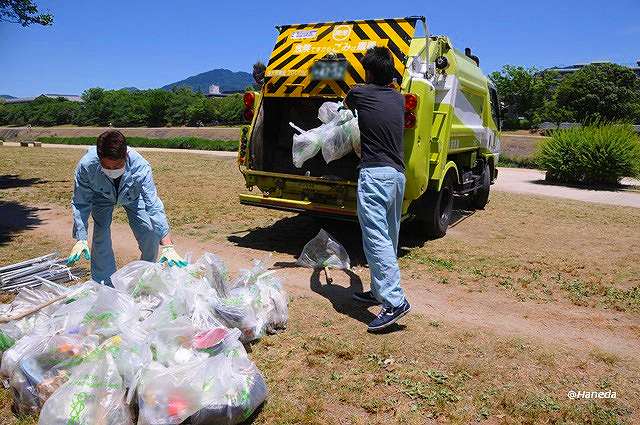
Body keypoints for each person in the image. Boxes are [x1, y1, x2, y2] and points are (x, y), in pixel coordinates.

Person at [344, 47, 411, 331]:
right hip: (397, 176)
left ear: (368, 73)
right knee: (389, 236)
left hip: (374, 175)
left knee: (376, 238)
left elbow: (346, 104)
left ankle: (394, 301)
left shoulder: (360, 93)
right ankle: (377, 290)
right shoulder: (398, 99)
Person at [66, 130, 186, 286]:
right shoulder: (86, 166)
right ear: (99, 156)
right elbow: (80, 202)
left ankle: (146, 274)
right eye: (105, 165)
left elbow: (153, 204)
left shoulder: (140, 165)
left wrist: (168, 245)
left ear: (126, 156)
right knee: (100, 234)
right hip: (101, 197)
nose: (111, 170)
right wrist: (81, 238)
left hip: (133, 195)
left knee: (150, 232)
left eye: (117, 165)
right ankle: (104, 284)